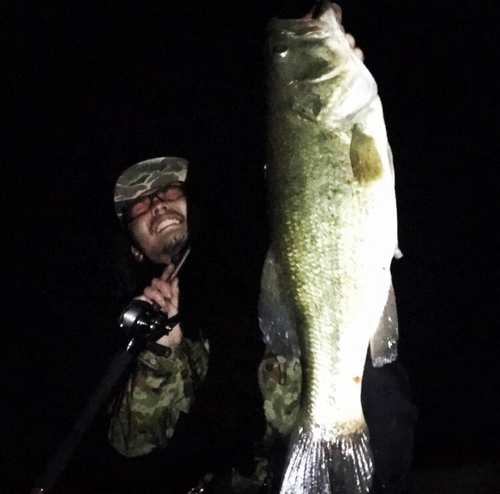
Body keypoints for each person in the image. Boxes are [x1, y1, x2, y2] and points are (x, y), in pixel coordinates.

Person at [108, 157, 417, 494]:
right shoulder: (143, 323)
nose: (158, 204)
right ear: (134, 250)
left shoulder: (259, 245)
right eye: (140, 204)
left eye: (170, 190)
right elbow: (130, 441)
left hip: (339, 452)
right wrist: (161, 351)